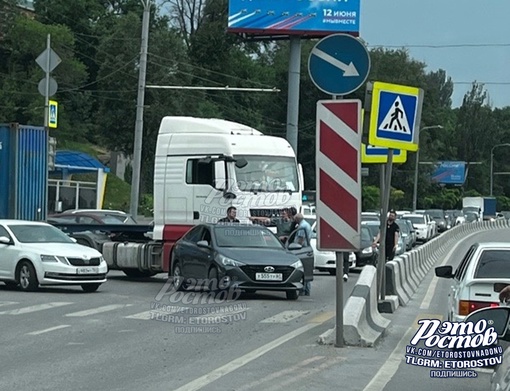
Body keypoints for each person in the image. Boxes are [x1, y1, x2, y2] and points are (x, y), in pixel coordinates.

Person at [293, 213, 313, 296]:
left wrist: (295, 247)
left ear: (297, 219)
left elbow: (300, 239)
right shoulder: (306, 225)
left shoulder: (302, 227)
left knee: (302, 269)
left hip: (302, 250)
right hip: (307, 249)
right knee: (307, 270)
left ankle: (303, 289)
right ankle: (307, 289)